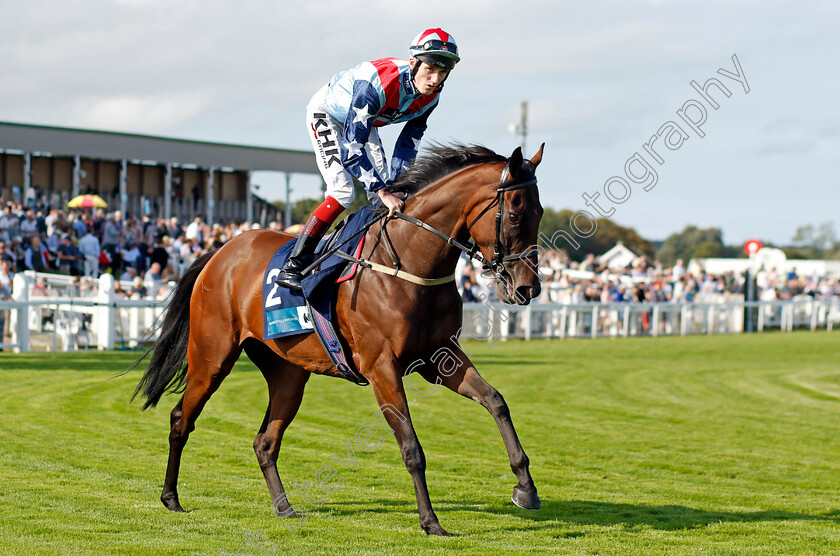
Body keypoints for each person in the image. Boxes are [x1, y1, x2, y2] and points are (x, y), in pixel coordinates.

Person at [275, 28, 460, 290]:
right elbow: (352, 150)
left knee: (388, 199)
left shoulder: (432, 97)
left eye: (443, 73)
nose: (435, 79)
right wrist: (384, 189)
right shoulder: (376, 84)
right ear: (413, 63)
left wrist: (397, 187)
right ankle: (293, 265)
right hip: (327, 114)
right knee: (343, 192)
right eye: (430, 69)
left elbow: (408, 146)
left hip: (364, 122)